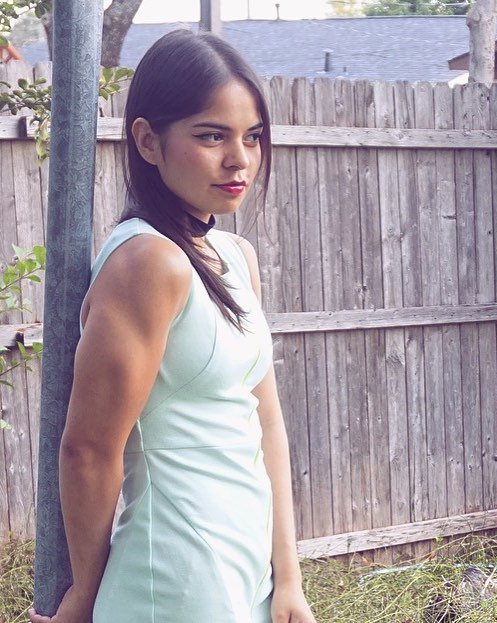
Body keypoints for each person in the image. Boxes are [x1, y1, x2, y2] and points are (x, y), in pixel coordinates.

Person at [28, 29, 316, 623]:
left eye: (252, 136)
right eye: (211, 136)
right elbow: (89, 449)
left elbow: (265, 423)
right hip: (175, 580)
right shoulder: (147, 263)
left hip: (248, 573)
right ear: (148, 141)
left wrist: (288, 578)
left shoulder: (236, 257)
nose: (239, 159)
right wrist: (84, 595)